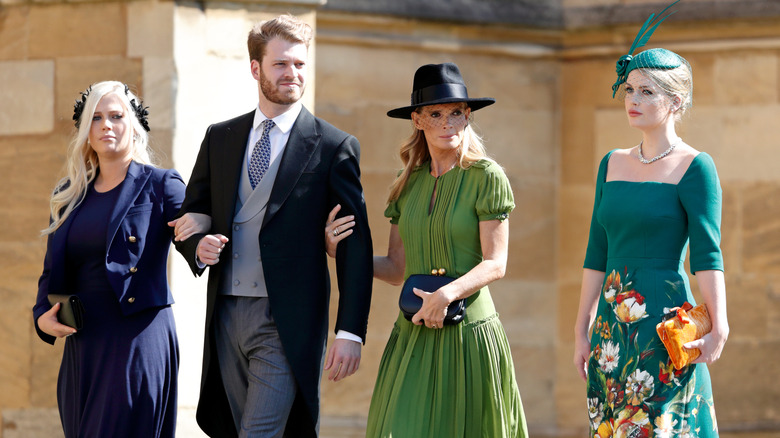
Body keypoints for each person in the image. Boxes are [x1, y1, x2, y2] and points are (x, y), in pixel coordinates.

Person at [171, 14, 373, 438]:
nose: (292, 74)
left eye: (300, 64)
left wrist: (350, 330)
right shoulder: (220, 137)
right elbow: (192, 214)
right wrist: (198, 247)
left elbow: (355, 244)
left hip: (285, 320)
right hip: (225, 312)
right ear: (255, 68)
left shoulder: (334, 146)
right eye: (281, 64)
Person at [326, 62, 528, 437]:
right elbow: (395, 268)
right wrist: (345, 254)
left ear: (468, 117)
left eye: (456, 113)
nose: (448, 123)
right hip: (414, 334)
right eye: (436, 114)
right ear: (417, 120)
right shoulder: (408, 185)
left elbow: (496, 263)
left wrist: (446, 294)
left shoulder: (487, 176)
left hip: (469, 333)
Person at [572, 4, 729, 436]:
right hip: (610, 328)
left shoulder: (697, 167)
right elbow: (596, 251)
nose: (633, 101)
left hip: (665, 324)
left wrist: (720, 326)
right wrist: (581, 325)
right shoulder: (610, 163)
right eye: (629, 90)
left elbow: (707, 254)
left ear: (675, 101)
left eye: (647, 92)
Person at [32, 81, 205, 437]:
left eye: (116, 116)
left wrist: (202, 243)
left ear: (135, 125)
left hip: (136, 338)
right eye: (96, 118)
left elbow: (187, 234)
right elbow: (52, 272)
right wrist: (41, 319)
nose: (106, 125)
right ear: (86, 130)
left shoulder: (161, 184)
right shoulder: (67, 195)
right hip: (85, 344)